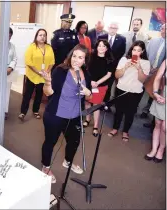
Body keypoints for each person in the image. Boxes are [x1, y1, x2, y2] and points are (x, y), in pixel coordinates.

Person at [41, 44, 92, 183]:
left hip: (75, 116)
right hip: (56, 114)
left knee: (74, 141)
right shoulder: (60, 70)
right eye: (74, 56)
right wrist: (47, 82)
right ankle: (45, 167)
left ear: (85, 60)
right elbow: (49, 93)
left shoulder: (85, 73)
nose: (76, 60)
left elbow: (89, 97)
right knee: (50, 142)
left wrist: (88, 93)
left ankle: (68, 161)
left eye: (80, 57)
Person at [108, 41, 150, 141]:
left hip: (135, 92)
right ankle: (115, 128)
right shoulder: (124, 59)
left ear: (142, 51)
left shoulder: (146, 63)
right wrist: (126, 67)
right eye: (134, 50)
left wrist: (139, 68)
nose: (135, 53)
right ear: (131, 50)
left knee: (130, 113)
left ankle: (126, 131)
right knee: (118, 110)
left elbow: (142, 80)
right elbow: (117, 75)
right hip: (121, 89)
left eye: (139, 51)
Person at [18, 29, 55, 121]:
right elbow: (28, 62)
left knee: (39, 95)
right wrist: (38, 71)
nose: (42, 37)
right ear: (36, 36)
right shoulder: (32, 47)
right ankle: (23, 112)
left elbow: (52, 61)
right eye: (40, 35)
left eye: (44, 35)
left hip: (43, 76)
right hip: (32, 75)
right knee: (28, 94)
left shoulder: (49, 47)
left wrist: (46, 72)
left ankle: (35, 111)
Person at [84, 40, 114, 136]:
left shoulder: (109, 60)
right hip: (89, 83)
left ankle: (95, 126)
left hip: (100, 85)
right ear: (96, 47)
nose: (101, 48)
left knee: (96, 105)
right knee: (87, 102)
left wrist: (97, 82)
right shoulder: (90, 57)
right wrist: (91, 81)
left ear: (106, 48)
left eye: (103, 46)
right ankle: (87, 119)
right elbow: (86, 70)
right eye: (99, 46)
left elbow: (109, 75)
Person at [0, 27, 17, 120]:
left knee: (6, 92)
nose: (8, 38)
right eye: (6, 36)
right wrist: (3, 69)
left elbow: (15, 58)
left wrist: (10, 68)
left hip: (8, 73)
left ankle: (4, 111)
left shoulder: (12, 45)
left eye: (10, 36)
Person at [98, 22, 126, 108]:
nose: (112, 30)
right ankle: (96, 102)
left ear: (117, 29)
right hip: (101, 65)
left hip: (113, 67)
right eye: (111, 27)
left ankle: (105, 104)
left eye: (115, 28)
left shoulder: (122, 39)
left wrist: (113, 61)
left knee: (108, 86)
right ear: (108, 28)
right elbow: (98, 49)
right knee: (99, 84)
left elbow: (122, 52)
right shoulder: (101, 37)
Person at [141, 24, 166, 120]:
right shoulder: (153, 41)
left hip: (160, 73)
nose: (164, 30)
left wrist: (159, 69)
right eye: (162, 28)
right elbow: (145, 54)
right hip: (147, 69)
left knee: (154, 92)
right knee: (140, 89)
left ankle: (146, 110)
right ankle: (134, 107)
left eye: (166, 29)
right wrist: (148, 66)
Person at [145, 60, 166, 163]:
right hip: (162, 94)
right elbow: (158, 77)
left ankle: (161, 150)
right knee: (157, 124)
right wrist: (156, 93)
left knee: (165, 127)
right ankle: (154, 150)